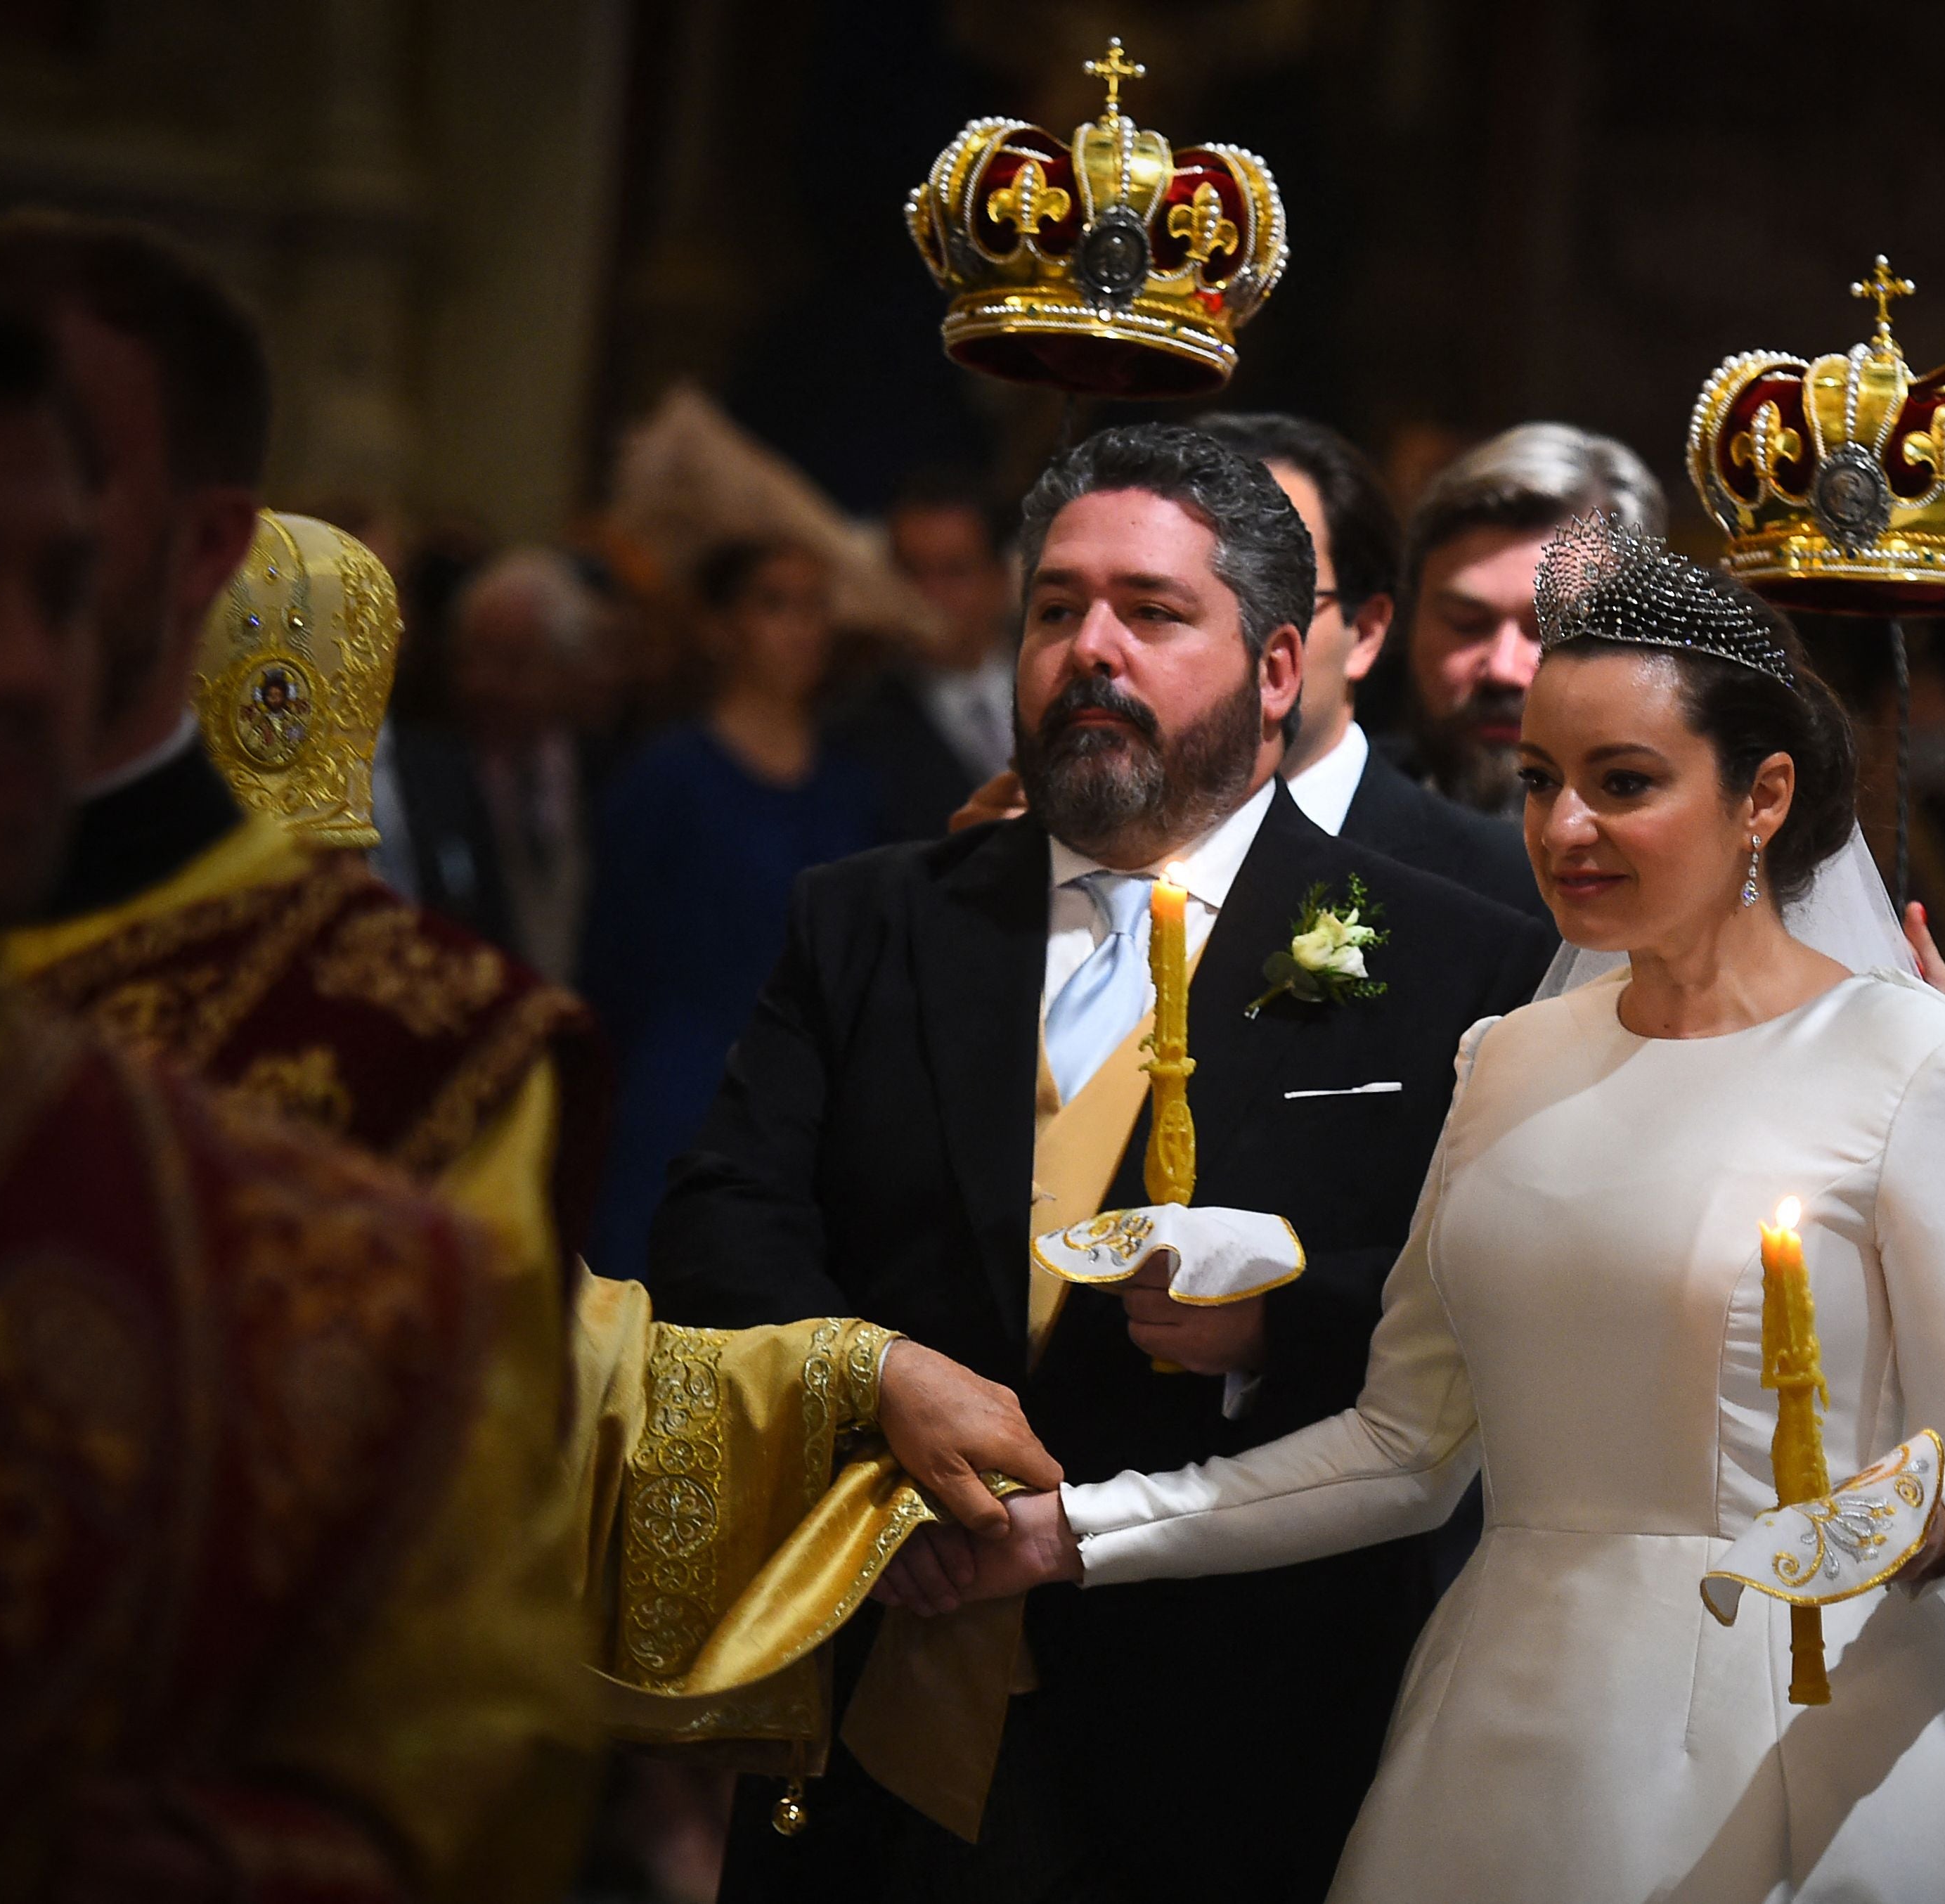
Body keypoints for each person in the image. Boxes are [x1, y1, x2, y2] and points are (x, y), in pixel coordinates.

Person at [923, 515, 1945, 1904]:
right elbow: (1405, 1448)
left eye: (1623, 782)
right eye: (1539, 781)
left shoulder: (1918, 1065)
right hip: (1511, 1716)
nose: (1564, 826)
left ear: (1761, 796)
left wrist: (1893, 1523)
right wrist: (1079, 1532)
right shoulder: (1507, 1057)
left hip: (1802, 1704)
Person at [644, 423, 1558, 1903]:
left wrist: (1283, 1318)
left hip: (1234, 1733)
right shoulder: (874, 919)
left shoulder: (1460, 958)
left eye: (1151, 611)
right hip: (880, 1688)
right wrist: (870, 1368)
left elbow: (1487, 1313)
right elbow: (717, 1224)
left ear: (1277, 672)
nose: (1090, 649)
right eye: (1057, 609)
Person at [0, 212, 606, 1272]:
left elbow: (516, 1365)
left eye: (64, 466)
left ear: (202, 546)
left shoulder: (429, 1033)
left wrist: (837, 1372)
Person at [580, 536, 881, 1281]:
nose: (800, 627)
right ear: (721, 627)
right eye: (775, 604)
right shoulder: (668, 777)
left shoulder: (855, 788)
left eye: (814, 605)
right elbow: (611, 960)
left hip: (810, 1110)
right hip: (677, 1092)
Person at [1198, 413, 1546, 920]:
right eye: (1159, 611)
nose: (1503, 668)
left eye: (1276, 602)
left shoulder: (1511, 888)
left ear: (1365, 629)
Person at [1393, 420, 1665, 813]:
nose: (1502, 670)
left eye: (1555, 631)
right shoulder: (1334, 821)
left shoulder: (1705, 854)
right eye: (1465, 623)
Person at [829, 468, 1021, 841]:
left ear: (1000, 581)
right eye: (911, 573)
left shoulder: (1067, 685)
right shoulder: (857, 730)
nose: (929, 597)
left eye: (955, 572)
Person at [449, 546, 608, 981]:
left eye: (513, 663)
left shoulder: (607, 774)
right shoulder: (433, 778)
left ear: (565, 669)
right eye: (472, 657)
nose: (485, 682)